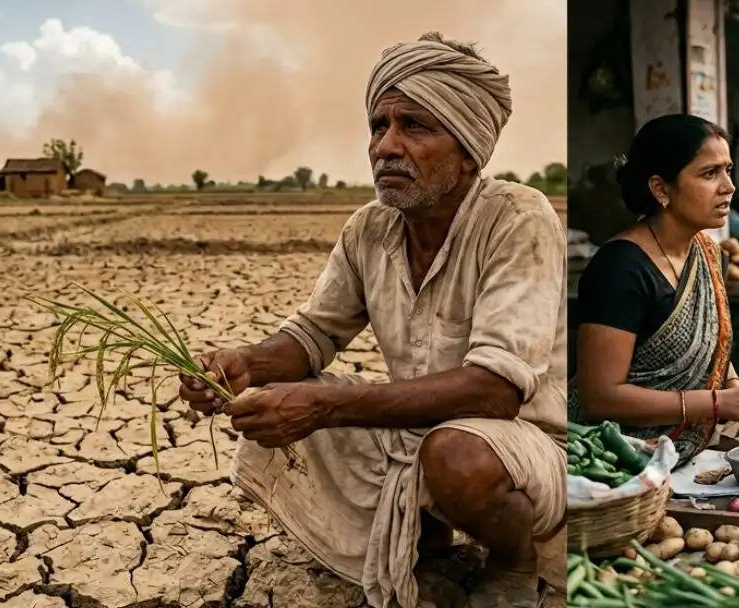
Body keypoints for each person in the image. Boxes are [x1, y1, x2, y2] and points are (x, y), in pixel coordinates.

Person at [178, 34, 566, 608]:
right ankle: (427, 541)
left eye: (414, 126)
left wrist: (325, 407)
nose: (386, 146)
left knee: (453, 453)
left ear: (469, 150)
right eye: (378, 126)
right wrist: (246, 364)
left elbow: (495, 391)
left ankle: (512, 561)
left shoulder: (517, 218)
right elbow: (314, 335)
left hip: (524, 445)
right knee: (291, 397)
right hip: (417, 432)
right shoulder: (370, 228)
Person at [570, 114, 739, 466]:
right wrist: (719, 404)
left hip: (686, 455)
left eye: (728, 169)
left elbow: (709, 346)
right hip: (613, 462)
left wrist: (737, 392)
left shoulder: (709, 254)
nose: (729, 186)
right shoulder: (620, 269)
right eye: (709, 173)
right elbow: (601, 397)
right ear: (661, 190)